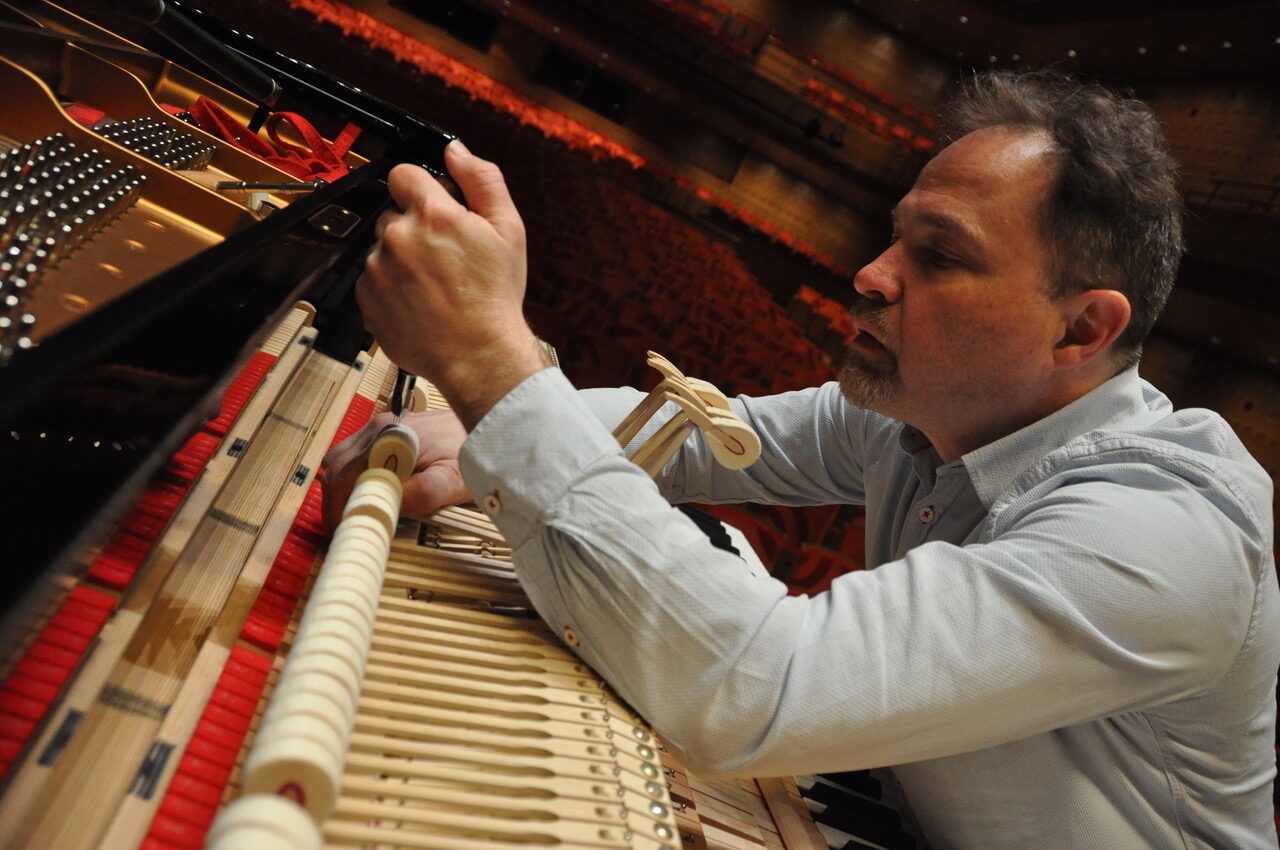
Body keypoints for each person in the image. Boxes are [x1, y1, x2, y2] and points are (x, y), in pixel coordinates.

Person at [323, 70, 1279, 848]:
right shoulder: (929, 405)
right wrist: (486, 425)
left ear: (1081, 328)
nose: (870, 274)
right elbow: (700, 434)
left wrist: (500, 372)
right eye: (897, 234)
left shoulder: (1166, 534)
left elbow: (761, 687)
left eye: (938, 256)